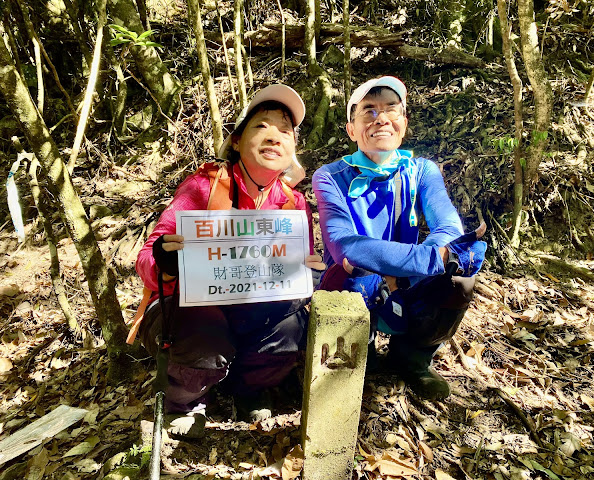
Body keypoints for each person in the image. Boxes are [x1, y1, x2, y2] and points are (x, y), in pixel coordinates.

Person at [132, 84, 324, 437]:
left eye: (285, 131)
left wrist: (310, 274)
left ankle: (246, 386)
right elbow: (147, 258)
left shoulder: (293, 203)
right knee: (203, 336)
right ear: (236, 140)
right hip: (191, 310)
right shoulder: (203, 187)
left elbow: (298, 271)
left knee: (294, 327)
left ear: (293, 149)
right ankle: (185, 401)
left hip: (254, 310)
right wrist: (165, 259)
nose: (274, 136)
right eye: (262, 125)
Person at [312, 76, 486, 400]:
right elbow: (343, 243)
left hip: (404, 277)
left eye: (391, 110)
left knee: (458, 281)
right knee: (355, 269)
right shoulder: (329, 176)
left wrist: (412, 271)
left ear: (403, 124)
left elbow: (448, 227)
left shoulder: (421, 170)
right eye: (369, 111)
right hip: (352, 278)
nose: (381, 118)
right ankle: (358, 357)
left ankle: (412, 358)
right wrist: (427, 259)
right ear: (351, 129)